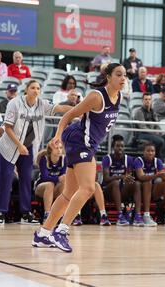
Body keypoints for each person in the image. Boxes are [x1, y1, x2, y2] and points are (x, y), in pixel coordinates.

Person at [32, 63, 127, 252]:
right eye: (118, 75)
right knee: (89, 187)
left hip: (86, 142)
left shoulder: (119, 97)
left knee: (69, 193)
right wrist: (58, 135)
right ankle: (62, 231)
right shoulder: (96, 96)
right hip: (78, 140)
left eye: (125, 75)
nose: (123, 78)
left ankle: (43, 233)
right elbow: (69, 114)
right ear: (108, 77)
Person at [0, 80, 72, 225]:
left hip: (27, 148)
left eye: (38, 88)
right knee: (6, 179)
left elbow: (60, 108)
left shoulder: (42, 104)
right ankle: (1, 212)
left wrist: (79, 110)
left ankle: (25, 213)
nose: (36, 90)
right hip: (9, 146)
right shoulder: (14, 103)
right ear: (26, 90)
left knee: (26, 179)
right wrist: (19, 145)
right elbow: (7, 127)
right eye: (32, 88)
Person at [134, 142, 165, 227]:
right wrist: (156, 175)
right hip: (139, 192)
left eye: (152, 151)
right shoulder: (138, 160)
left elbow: (164, 177)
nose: (150, 153)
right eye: (148, 151)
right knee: (147, 181)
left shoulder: (157, 161)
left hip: (152, 192)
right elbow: (141, 177)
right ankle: (146, 216)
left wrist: (164, 176)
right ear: (144, 152)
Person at [102, 135, 140, 227]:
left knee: (136, 184)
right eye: (118, 146)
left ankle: (137, 216)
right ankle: (120, 215)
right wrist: (121, 177)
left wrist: (127, 178)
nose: (120, 148)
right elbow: (106, 179)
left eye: (122, 146)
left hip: (122, 191)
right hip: (108, 191)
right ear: (113, 147)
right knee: (115, 183)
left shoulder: (129, 159)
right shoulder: (107, 159)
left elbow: (129, 177)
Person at [34, 144, 66, 224]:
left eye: (60, 148)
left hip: (55, 188)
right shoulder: (44, 159)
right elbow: (45, 177)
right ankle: (47, 215)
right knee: (49, 184)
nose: (59, 150)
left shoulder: (64, 160)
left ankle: (61, 214)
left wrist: (61, 179)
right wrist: (57, 178)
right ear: (51, 150)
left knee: (64, 183)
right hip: (41, 187)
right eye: (56, 148)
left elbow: (63, 176)